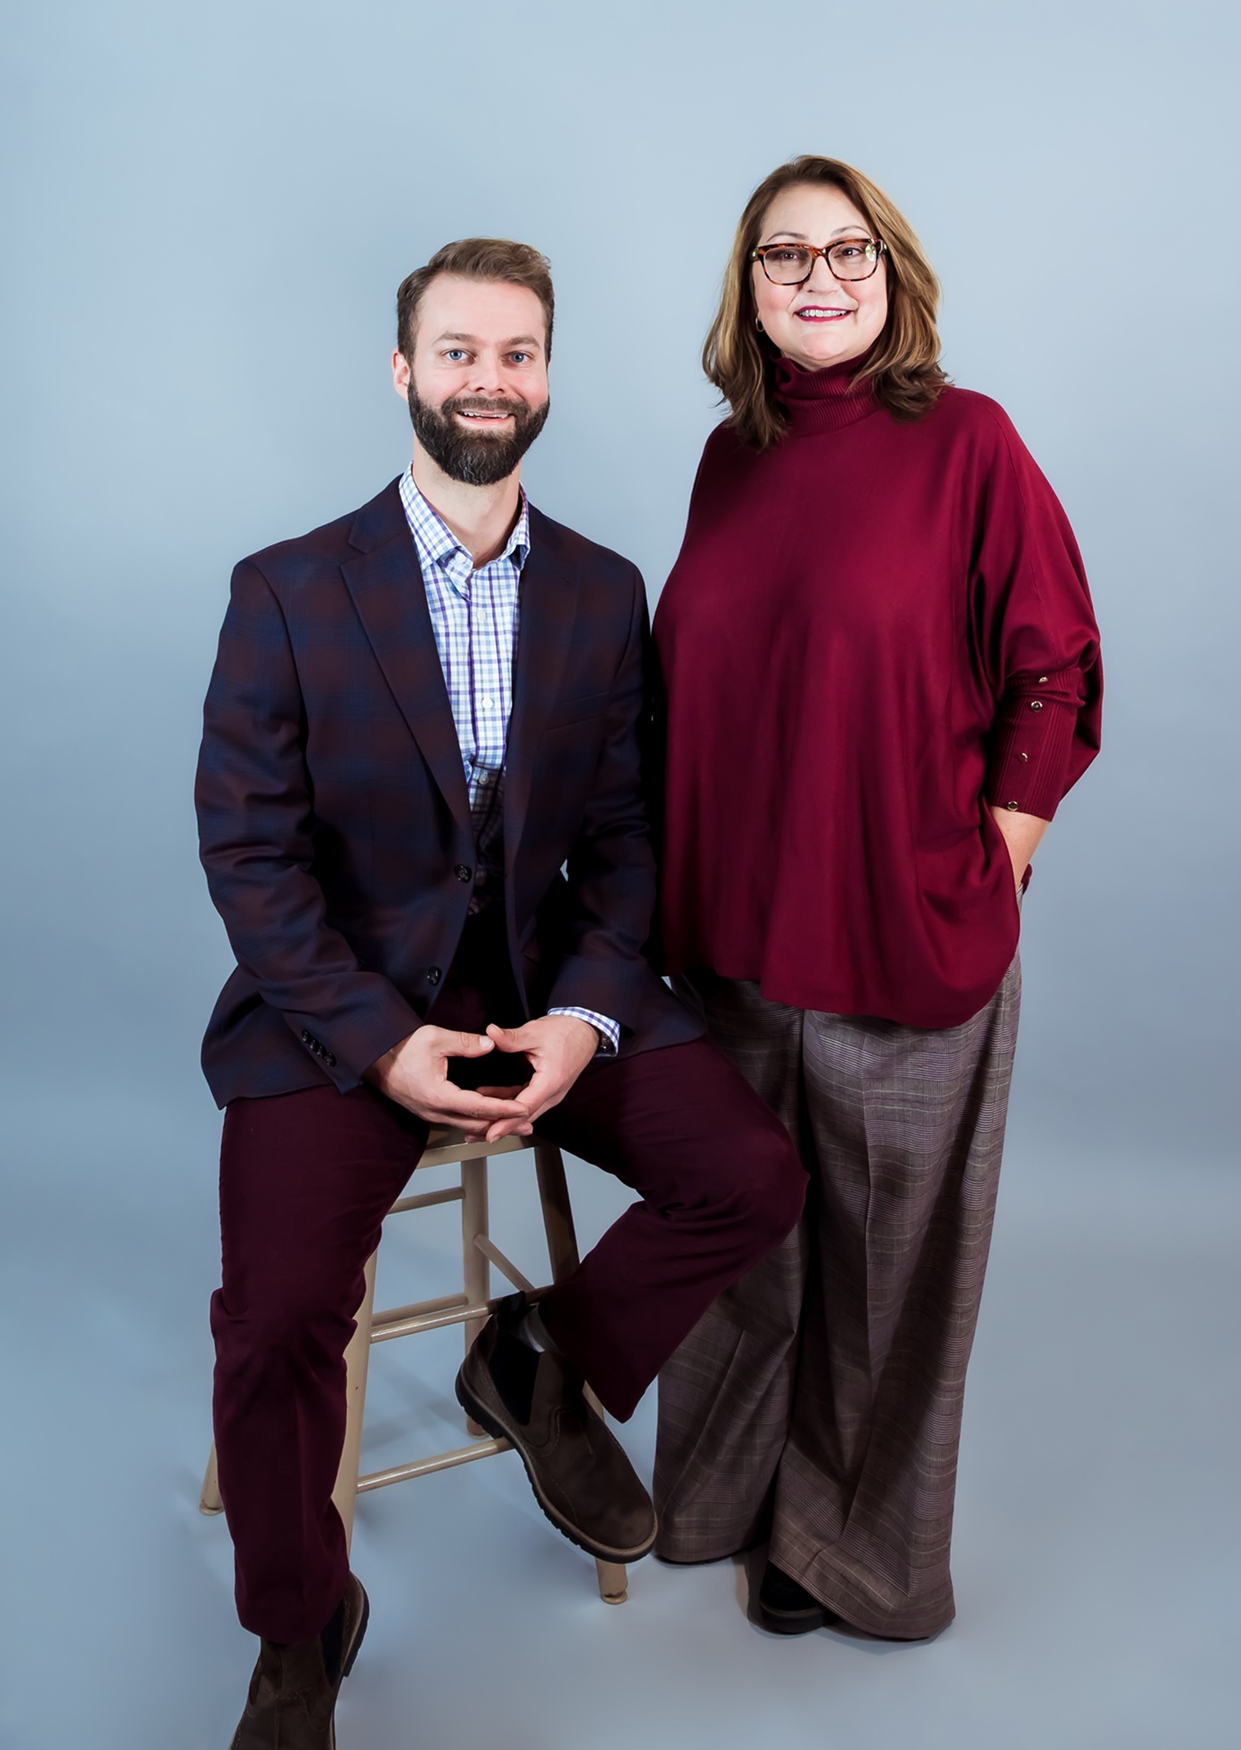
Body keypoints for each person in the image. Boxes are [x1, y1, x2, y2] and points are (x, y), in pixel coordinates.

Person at [196, 236, 806, 1747]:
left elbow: (625, 840)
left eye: (517, 353)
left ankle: (537, 1361)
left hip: (545, 986)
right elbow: (252, 860)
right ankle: (300, 1622)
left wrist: (586, 1018)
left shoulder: (601, 590)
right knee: (275, 1319)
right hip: (341, 1009)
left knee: (753, 1174)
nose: (490, 379)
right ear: (403, 370)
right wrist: (379, 1044)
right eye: (460, 351)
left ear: (547, 376)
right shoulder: (287, 589)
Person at [650, 157, 1102, 1642]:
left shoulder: (968, 442)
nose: (819, 279)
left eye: (849, 250)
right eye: (785, 255)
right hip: (734, 938)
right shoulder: (730, 455)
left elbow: (1055, 664)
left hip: (901, 929)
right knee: (740, 1245)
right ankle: (717, 1494)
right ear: (749, 287)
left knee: (882, 1277)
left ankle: (845, 1552)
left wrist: (998, 851)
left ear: (893, 273)